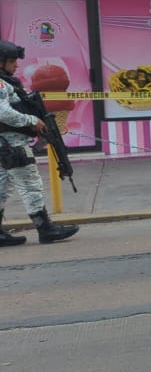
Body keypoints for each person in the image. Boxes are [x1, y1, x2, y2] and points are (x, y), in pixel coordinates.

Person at [0, 41, 78, 246]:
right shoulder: (1, 83)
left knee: (2, 187)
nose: (16, 65)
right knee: (30, 184)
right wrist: (32, 121)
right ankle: (46, 228)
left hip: (6, 144)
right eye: (12, 61)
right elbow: (3, 112)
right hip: (13, 143)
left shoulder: (7, 82)